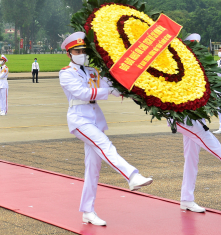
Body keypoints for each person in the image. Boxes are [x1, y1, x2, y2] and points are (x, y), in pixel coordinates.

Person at [59, 32, 153, 226]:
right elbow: (82, 93)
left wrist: (131, 87)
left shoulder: (93, 71)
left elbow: (112, 87)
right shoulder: (66, 73)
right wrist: (107, 91)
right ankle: (132, 176)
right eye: (77, 51)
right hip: (79, 119)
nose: (82, 54)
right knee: (105, 145)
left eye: (84, 50)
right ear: (69, 54)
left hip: (95, 119)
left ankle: (87, 211)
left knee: (93, 168)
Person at [167, 118, 221, 213]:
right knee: (206, 138)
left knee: (191, 158)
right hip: (180, 116)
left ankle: (186, 199)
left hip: (194, 115)